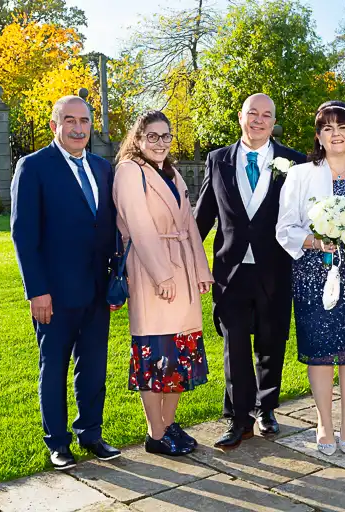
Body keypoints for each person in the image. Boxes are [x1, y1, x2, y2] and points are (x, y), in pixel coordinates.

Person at [10, 95, 120, 470]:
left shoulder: (103, 168)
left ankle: (91, 433)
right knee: (53, 366)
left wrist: (117, 278)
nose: (77, 128)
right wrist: (36, 290)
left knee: (94, 366)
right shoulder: (34, 167)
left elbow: (107, 229)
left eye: (84, 121)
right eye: (69, 120)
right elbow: (23, 234)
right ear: (54, 124)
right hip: (53, 294)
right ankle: (58, 443)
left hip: (96, 290)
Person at [195, 93, 306, 449]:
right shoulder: (217, 160)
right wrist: (185, 258)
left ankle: (266, 408)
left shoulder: (294, 162)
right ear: (240, 117)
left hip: (275, 267)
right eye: (252, 113)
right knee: (235, 344)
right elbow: (202, 217)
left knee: (272, 342)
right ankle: (237, 417)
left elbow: (306, 215)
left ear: (274, 122)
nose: (258, 120)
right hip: (231, 270)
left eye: (266, 115)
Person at [276, 101, 345, 455]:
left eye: (342, 127)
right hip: (313, 275)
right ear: (319, 137)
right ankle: (324, 422)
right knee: (320, 352)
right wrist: (315, 240)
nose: (336, 134)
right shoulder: (301, 174)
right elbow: (284, 228)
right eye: (327, 129)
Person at [113, 111, 214, 456]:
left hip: (183, 269)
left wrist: (201, 270)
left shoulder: (171, 173)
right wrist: (163, 275)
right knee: (156, 355)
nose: (159, 143)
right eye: (152, 137)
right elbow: (139, 227)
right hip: (151, 273)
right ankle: (155, 434)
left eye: (165, 136)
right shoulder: (130, 171)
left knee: (180, 356)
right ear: (138, 139)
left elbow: (189, 224)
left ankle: (168, 425)